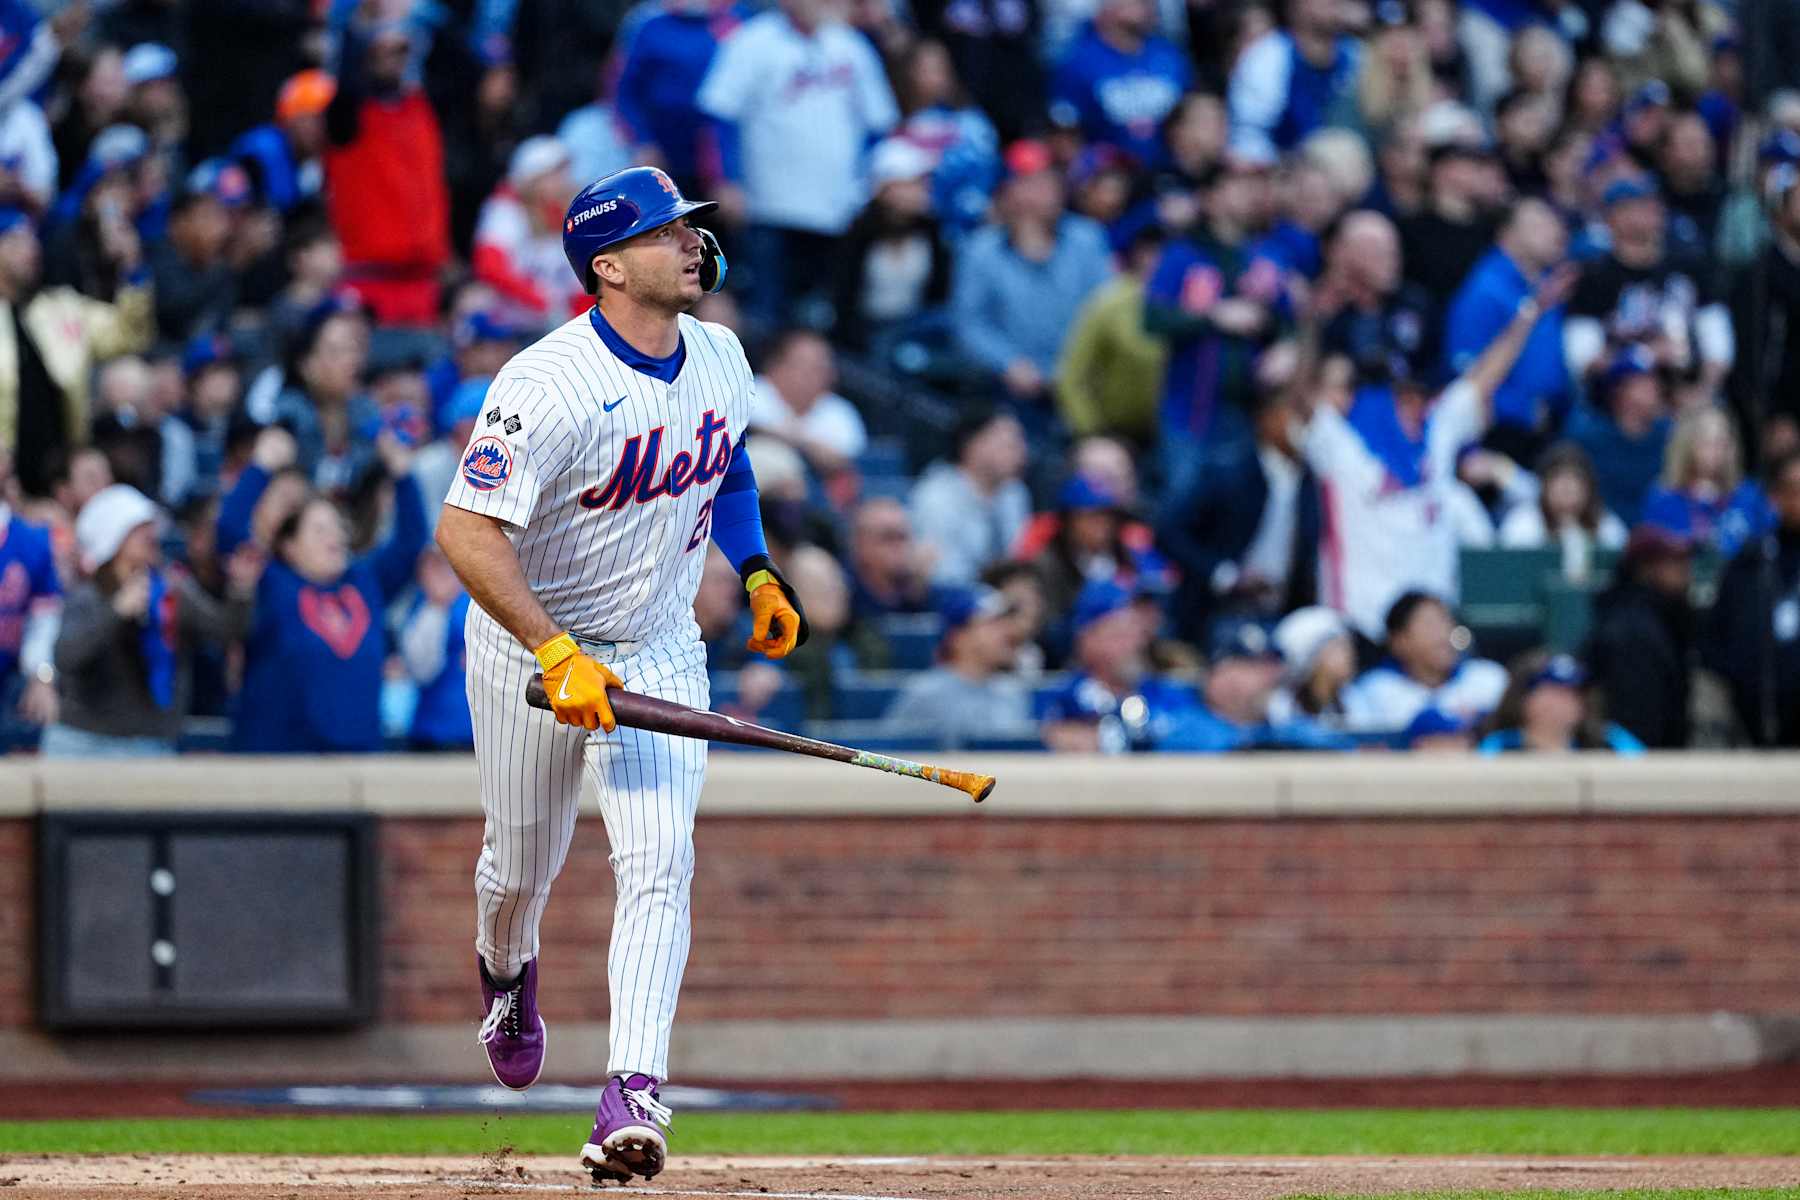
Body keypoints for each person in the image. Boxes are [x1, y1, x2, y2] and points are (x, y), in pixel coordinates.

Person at [433, 167, 808, 1184]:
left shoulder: (723, 355)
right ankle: (506, 975)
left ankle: (634, 1092)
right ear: (608, 266)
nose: (691, 243)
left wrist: (759, 567)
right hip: (529, 650)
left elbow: (727, 465)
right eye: (666, 233)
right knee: (518, 871)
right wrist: (554, 651)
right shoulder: (544, 383)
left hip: (656, 646)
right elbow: (465, 531)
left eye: (692, 228)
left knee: (659, 861)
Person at [1299, 258, 1576, 641]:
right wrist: (1310, 323)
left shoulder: (1437, 430)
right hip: (1359, 625)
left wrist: (1531, 312)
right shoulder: (1342, 442)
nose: (1412, 402)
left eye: (1416, 392)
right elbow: (1301, 396)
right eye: (1400, 394)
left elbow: (1482, 379)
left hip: (1433, 625)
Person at [696, 0, 899, 328]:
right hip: (767, 204)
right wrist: (726, 180)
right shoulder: (752, 40)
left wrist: (865, 182)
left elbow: (879, 123)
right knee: (765, 314)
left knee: (819, 317)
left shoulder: (850, 46)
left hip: (834, 208)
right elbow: (720, 115)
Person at [231, 435, 427, 754]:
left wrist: (403, 476)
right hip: (278, 764)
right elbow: (230, 534)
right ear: (289, 545)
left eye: (338, 528)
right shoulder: (273, 584)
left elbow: (410, 543)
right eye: (319, 530)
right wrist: (261, 467)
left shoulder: (364, 582)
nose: (334, 537)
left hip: (358, 762)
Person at [46, 484, 256, 757]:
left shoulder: (172, 590)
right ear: (113, 537)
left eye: (150, 525)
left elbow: (226, 631)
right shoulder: (88, 594)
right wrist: (116, 612)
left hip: (149, 744)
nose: (151, 534)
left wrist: (240, 589)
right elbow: (67, 657)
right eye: (138, 527)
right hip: (84, 743)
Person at [950, 140, 1113, 414]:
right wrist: (1009, 363)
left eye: (1048, 184)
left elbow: (1106, 309)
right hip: (1006, 388)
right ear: (1008, 192)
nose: (1040, 195)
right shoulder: (981, 250)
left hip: (1084, 381)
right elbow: (970, 324)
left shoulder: (1087, 239)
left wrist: (1080, 365)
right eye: (1028, 184)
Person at [1156, 377, 1320, 645]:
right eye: (1296, 413)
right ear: (1267, 419)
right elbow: (1168, 531)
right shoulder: (1230, 473)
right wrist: (1225, 575)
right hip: (1221, 611)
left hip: (1282, 613)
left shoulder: (1309, 482)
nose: (1305, 425)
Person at [0, 206, 151, 497]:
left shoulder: (62, 307)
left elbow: (129, 335)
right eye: (17, 241)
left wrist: (132, 266)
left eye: (33, 240)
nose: (31, 249)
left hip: (64, 478)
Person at [1564, 176, 1733, 410]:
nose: (1650, 211)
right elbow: (1583, 358)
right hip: (1615, 407)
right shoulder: (1595, 277)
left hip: (1688, 397)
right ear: (1613, 216)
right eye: (1637, 205)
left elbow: (1717, 339)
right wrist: (1645, 355)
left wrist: (1703, 391)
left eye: (1652, 203)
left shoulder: (1690, 265)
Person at [323, 20, 450, 323]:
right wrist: (365, 18)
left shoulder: (421, 110)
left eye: (400, 51)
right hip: (368, 278)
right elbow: (344, 85)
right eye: (382, 51)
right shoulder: (348, 117)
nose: (392, 59)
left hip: (421, 280)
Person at [1442, 197, 1573, 457]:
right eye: (1539, 225)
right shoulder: (1485, 290)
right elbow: (1466, 373)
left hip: (1546, 429)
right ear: (1507, 234)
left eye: (1554, 224)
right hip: (1496, 435)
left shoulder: (1547, 286)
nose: (1555, 232)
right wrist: (1521, 409)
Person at [1703, 449, 1800, 746]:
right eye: (1794, 490)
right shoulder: (1751, 562)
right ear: (1775, 497)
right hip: (1754, 724)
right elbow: (1716, 638)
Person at [1038, 578, 1202, 753]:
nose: (1135, 644)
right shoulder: (1059, 703)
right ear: (1088, 641)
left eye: (1137, 632)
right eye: (1121, 634)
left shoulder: (1171, 695)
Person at [611, 0, 751, 193]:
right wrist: (642, 142)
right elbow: (622, 92)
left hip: (729, 158)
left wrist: (729, 174)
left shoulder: (742, 16)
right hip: (664, 156)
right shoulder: (648, 21)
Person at [1587, 523, 1697, 749]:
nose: (1686, 571)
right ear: (1645, 568)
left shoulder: (1663, 618)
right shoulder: (1631, 630)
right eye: (1674, 561)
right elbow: (1639, 722)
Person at [1055, 226, 1166, 447]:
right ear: (1143, 255)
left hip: (1174, 435)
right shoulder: (1109, 304)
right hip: (1113, 431)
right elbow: (1071, 375)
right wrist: (1092, 433)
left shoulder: (1195, 305)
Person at [880, 585, 1033, 744]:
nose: (1007, 631)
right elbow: (894, 757)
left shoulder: (1013, 694)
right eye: (992, 624)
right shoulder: (926, 694)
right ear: (957, 636)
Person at [1341, 590, 1508, 731]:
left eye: (1446, 622)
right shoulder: (1370, 692)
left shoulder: (1490, 678)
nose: (1443, 634)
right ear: (1399, 641)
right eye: (1430, 625)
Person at [1050, 0, 1190, 166]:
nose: (1145, 5)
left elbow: (1189, 113)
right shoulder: (1079, 62)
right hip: (1105, 172)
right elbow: (1065, 133)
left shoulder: (1170, 57)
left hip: (1167, 168)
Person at [472, 136, 586, 331]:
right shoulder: (506, 210)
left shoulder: (573, 213)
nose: (563, 180)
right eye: (553, 174)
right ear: (531, 179)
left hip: (557, 327)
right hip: (510, 325)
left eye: (563, 172)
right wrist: (541, 302)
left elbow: (583, 283)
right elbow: (489, 267)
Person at [908, 407, 1031, 588]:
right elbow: (941, 576)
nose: (1021, 453)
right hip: (955, 599)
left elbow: (1019, 557)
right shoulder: (936, 496)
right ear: (972, 445)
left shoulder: (1015, 493)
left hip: (1007, 596)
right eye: (1009, 445)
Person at [1227, 0, 1359, 158]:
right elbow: (1249, 137)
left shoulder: (1356, 55)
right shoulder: (1266, 56)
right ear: (1294, 6)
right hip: (1281, 168)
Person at [1640, 406, 1771, 559]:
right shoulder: (1662, 498)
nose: (1717, 450)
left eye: (1724, 442)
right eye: (1708, 443)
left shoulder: (1749, 495)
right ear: (1686, 445)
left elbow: (1769, 543)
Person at [1565, 344, 1673, 526]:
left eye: (1654, 381)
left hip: (1658, 537)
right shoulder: (1590, 437)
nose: (1654, 389)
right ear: (1619, 391)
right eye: (1642, 383)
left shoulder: (1669, 435)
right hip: (1603, 534)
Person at [748, 328, 868, 485]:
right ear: (776, 366)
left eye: (823, 367)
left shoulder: (839, 410)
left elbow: (840, 460)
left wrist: (793, 439)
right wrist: (809, 446)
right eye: (808, 366)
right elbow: (751, 427)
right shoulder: (751, 391)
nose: (821, 374)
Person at [1477, 652, 1646, 754]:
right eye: (1554, 691)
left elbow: (1646, 775)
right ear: (1524, 699)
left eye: (1573, 692)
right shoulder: (1501, 746)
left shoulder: (1609, 740)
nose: (1565, 701)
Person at [1497, 441, 1630, 568]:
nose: (1567, 487)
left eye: (1575, 479)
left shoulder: (1607, 526)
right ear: (1544, 485)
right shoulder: (1523, 523)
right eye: (1558, 479)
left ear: (1588, 488)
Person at [229, 68, 335, 216]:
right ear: (289, 118)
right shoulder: (258, 154)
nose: (322, 126)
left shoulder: (322, 158)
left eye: (326, 118)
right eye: (313, 118)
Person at [401, 546, 474, 751]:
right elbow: (420, 670)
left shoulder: (491, 599)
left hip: (483, 739)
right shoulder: (425, 603)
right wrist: (437, 605)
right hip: (433, 738)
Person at [1267, 604, 1355, 728]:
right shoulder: (1280, 707)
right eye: (1338, 647)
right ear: (1312, 657)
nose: (1349, 655)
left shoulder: (1357, 700)